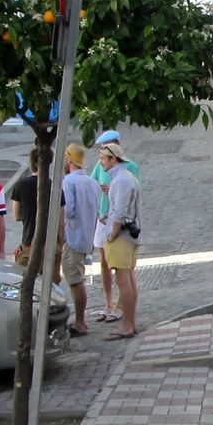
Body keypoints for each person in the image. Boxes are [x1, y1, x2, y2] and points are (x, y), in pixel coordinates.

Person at [90, 130, 140, 324]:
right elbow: (93, 182)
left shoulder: (128, 170)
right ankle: (109, 303)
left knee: (124, 272)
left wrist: (113, 233)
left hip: (119, 225)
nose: (101, 157)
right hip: (105, 217)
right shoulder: (101, 165)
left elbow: (128, 199)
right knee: (104, 261)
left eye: (105, 151)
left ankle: (124, 313)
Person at [61, 144, 100, 336]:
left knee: (76, 281)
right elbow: (97, 212)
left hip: (73, 236)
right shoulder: (92, 182)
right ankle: (80, 320)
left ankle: (80, 322)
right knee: (78, 278)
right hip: (86, 237)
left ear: (69, 161)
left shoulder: (69, 181)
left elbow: (67, 210)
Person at [11, 148, 65, 283]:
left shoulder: (20, 185)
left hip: (29, 242)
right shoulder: (55, 186)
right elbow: (60, 221)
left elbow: (16, 216)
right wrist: (61, 243)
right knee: (52, 288)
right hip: (51, 244)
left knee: (26, 284)